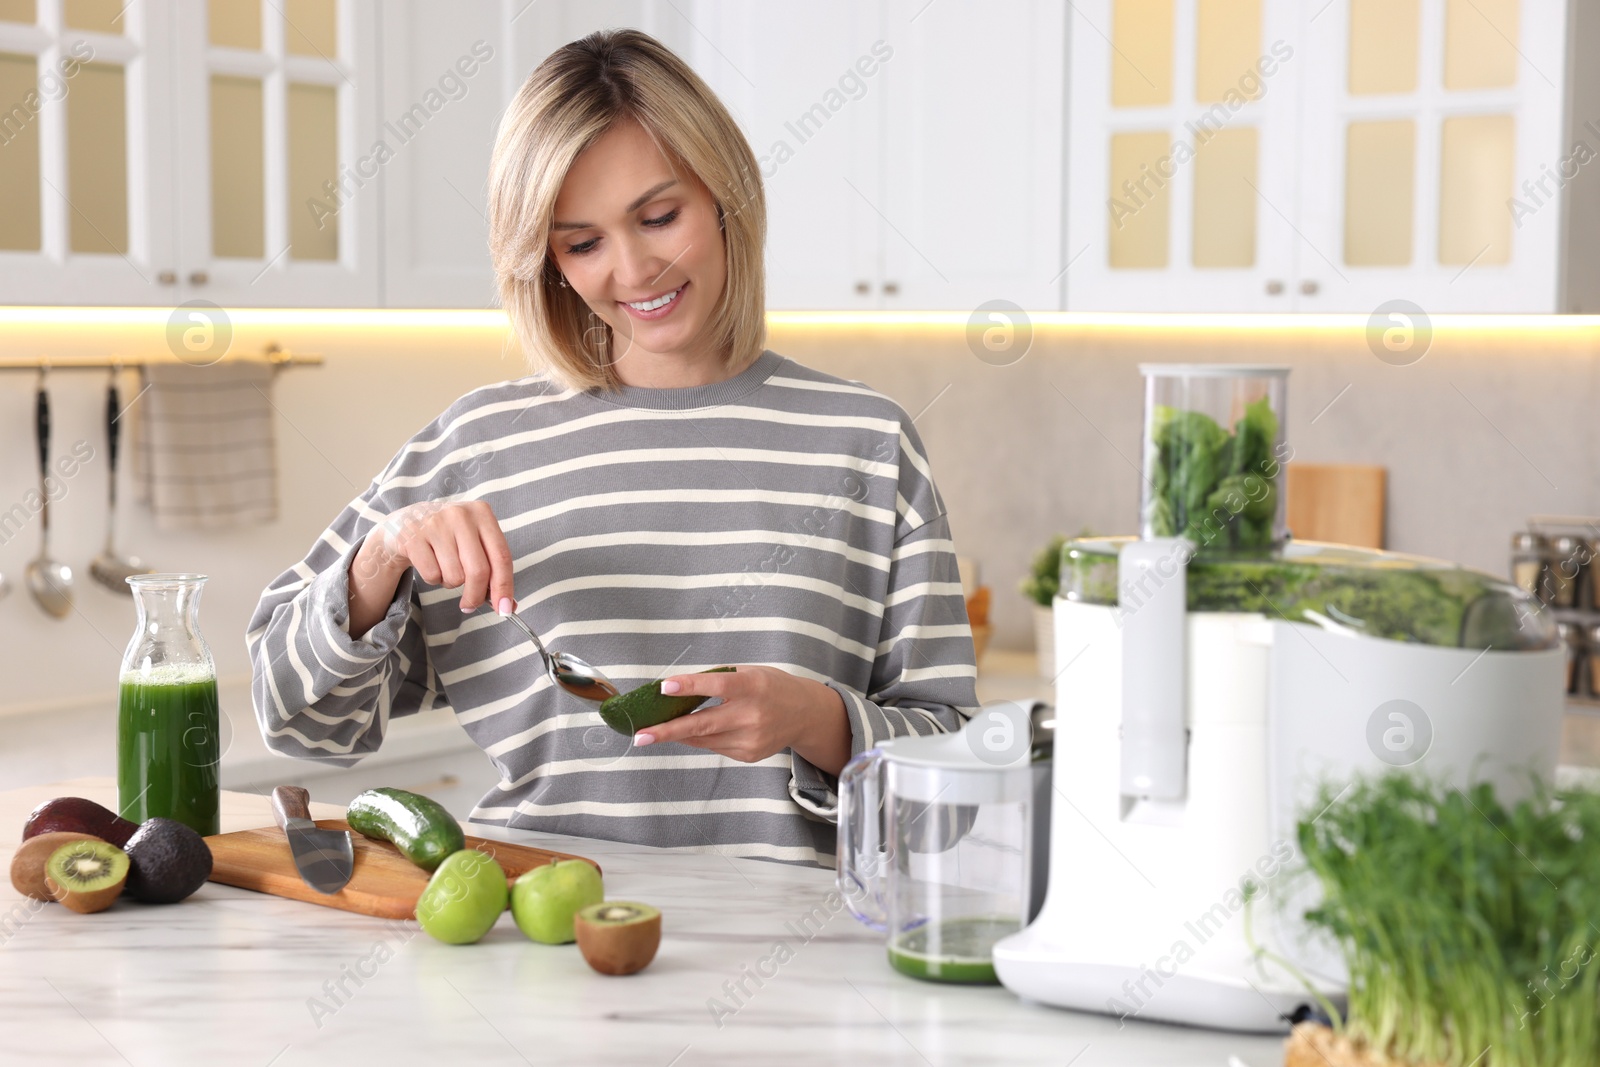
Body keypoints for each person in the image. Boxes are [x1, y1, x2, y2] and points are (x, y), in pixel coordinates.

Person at [245, 28, 978, 867]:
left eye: (659, 216)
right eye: (582, 242)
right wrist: (378, 562)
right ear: (548, 261)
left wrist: (818, 720)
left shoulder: (869, 445)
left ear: (725, 194)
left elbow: (952, 793)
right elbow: (294, 717)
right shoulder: (478, 443)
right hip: (529, 936)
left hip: (796, 955)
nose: (632, 270)